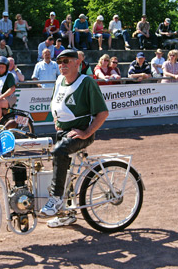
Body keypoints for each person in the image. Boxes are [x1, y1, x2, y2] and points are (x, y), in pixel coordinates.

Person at [40, 49, 108, 227]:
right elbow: (55, 103)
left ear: (77, 62)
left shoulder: (87, 82)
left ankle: (55, 199)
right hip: (63, 132)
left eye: (67, 61)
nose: (62, 65)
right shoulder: (59, 81)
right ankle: (66, 214)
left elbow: (103, 112)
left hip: (81, 133)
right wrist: (56, 118)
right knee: (62, 169)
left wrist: (86, 133)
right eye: (60, 62)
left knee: (59, 152)